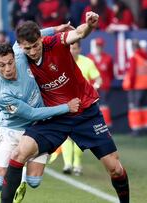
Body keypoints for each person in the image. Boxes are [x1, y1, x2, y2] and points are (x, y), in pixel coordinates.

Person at [1, 11, 130, 203]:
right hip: (55, 116)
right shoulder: (19, 54)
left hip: (85, 111)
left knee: (114, 167)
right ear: (21, 46)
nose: (33, 51)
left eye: (36, 45)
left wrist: (90, 26)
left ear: (41, 39)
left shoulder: (55, 43)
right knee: (19, 153)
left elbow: (77, 34)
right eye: (28, 48)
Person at [0, 25, 78, 203]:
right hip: (11, 130)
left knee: (34, 181)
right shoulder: (1, 93)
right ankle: (17, 166)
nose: (8, 68)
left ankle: (23, 173)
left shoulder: (19, 53)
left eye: (10, 63)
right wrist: (66, 107)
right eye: (1, 65)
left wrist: (58, 29)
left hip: (36, 129)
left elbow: (34, 37)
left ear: (14, 58)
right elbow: (31, 113)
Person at [60, 41, 101, 176]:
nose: (73, 51)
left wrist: (95, 86)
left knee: (79, 135)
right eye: (71, 48)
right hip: (67, 103)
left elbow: (98, 78)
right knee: (66, 135)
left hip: (84, 104)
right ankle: (67, 164)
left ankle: (77, 164)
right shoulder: (62, 62)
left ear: (79, 49)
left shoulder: (87, 62)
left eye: (75, 48)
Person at [123, 40, 147, 136]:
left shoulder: (134, 58)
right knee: (146, 107)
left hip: (137, 86)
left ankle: (136, 129)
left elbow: (132, 74)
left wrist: (131, 86)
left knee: (134, 108)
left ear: (133, 48)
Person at [87, 37, 114, 127]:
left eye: (100, 46)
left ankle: (105, 124)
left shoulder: (108, 58)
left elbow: (111, 72)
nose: (99, 48)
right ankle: (94, 124)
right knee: (93, 105)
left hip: (104, 85)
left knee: (104, 104)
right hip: (92, 86)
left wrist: (108, 82)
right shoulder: (89, 58)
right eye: (98, 46)